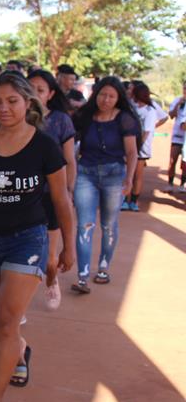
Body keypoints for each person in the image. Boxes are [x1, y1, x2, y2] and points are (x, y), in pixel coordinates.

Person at [0, 71, 74, 402]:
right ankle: (21, 349)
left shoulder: (44, 145)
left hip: (27, 239)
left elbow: (60, 198)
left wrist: (66, 246)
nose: (4, 108)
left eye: (12, 101)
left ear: (28, 102)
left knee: (5, 320)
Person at [70, 77, 139, 294]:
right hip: (85, 174)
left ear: (118, 98)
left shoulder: (125, 119)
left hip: (114, 175)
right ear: (95, 94)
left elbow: (131, 152)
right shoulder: (85, 117)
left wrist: (129, 178)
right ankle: (82, 276)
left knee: (109, 225)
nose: (105, 99)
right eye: (102, 94)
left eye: (111, 96)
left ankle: (103, 267)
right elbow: (73, 146)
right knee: (84, 225)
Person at [27, 69, 77, 310]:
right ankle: (18, 308)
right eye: (29, 89)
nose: (34, 94)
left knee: (48, 259)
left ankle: (52, 277)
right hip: (23, 196)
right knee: (21, 257)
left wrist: (68, 190)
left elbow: (69, 159)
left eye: (40, 90)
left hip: (51, 195)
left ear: (50, 93)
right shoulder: (15, 117)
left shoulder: (60, 120)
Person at [123, 83, 158, 212]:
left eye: (133, 91)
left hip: (141, 148)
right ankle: (124, 200)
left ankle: (133, 201)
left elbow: (146, 132)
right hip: (129, 146)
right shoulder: (132, 107)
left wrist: (136, 147)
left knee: (137, 174)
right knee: (127, 174)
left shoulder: (150, 110)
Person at [166, 81, 186, 192]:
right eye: (184, 88)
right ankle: (170, 183)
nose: (185, 91)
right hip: (177, 136)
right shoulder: (177, 101)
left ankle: (182, 184)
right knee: (172, 160)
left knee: (185, 163)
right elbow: (171, 115)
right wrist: (178, 104)